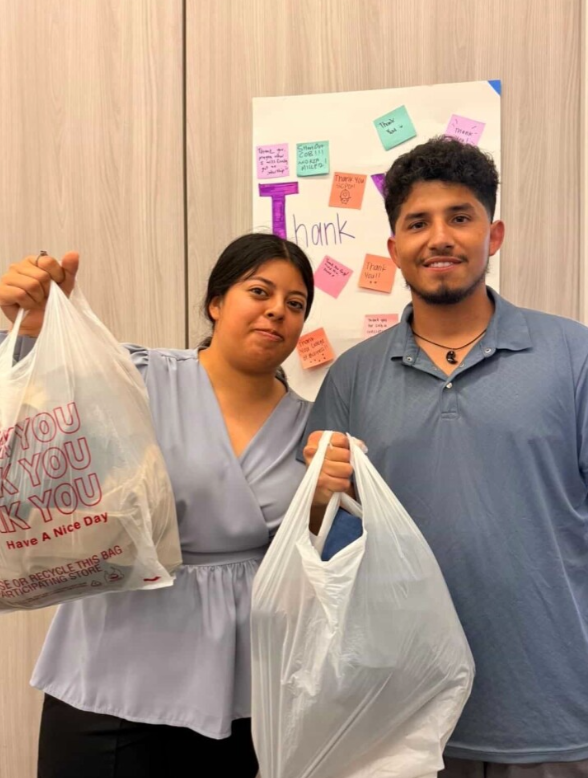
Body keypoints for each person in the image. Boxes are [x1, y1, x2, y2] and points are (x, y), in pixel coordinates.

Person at [303, 136, 588, 777]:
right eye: (417, 223)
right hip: (402, 714)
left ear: (494, 235)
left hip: (552, 708)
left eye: (460, 217)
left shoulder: (574, 357)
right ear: (393, 247)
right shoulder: (352, 377)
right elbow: (326, 544)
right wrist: (319, 498)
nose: (439, 238)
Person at [0, 233, 315, 778]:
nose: (276, 311)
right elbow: (41, 402)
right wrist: (34, 329)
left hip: (237, 685)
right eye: (259, 291)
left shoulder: (313, 424)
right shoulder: (139, 374)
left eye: (295, 303)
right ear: (216, 303)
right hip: (109, 666)